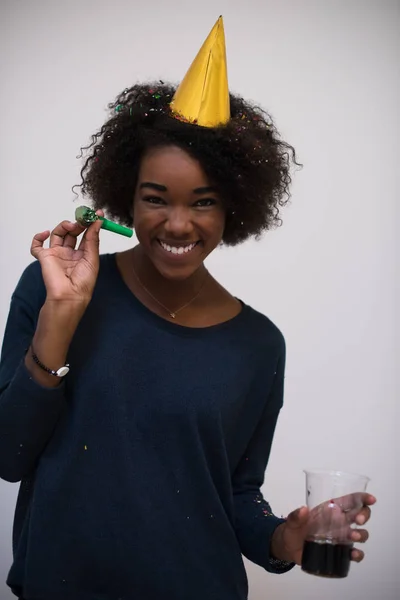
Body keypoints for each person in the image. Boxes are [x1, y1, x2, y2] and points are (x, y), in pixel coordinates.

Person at [0, 17, 375, 600]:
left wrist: (283, 540)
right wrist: (61, 320)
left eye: (204, 202)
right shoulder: (52, 290)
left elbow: (235, 495)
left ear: (235, 209)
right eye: (156, 199)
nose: (178, 223)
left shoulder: (257, 344)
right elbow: (8, 453)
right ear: (127, 196)